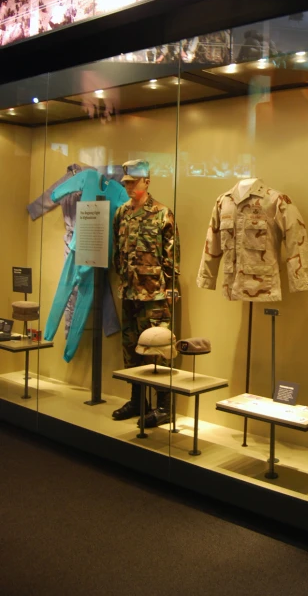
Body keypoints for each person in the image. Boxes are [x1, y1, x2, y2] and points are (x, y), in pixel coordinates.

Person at [112, 160, 180, 427]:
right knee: (131, 349)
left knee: (157, 348)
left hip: (154, 295)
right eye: (126, 182)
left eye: (133, 182)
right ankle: (138, 399)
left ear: (147, 182)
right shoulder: (121, 213)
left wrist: (171, 287)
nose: (128, 186)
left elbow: (172, 255)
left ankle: (165, 406)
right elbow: (117, 252)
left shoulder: (162, 213)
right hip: (129, 292)